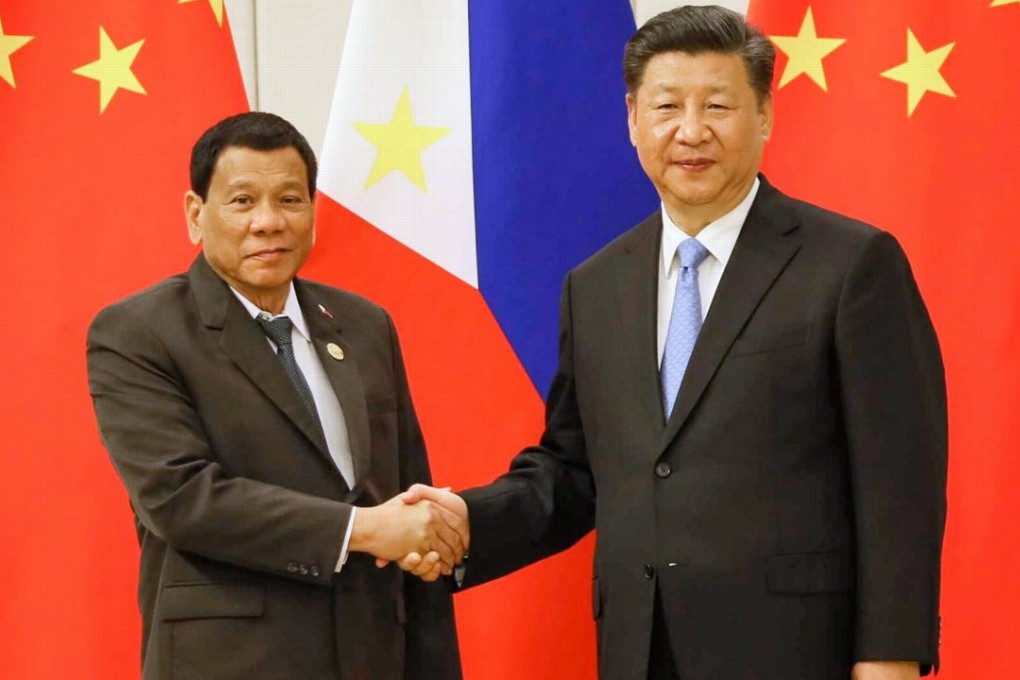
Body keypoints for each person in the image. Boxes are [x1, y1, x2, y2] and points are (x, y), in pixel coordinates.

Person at [397, 6, 947, 680]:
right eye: (666, 106)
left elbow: (900, 486)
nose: (691, 131)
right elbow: (575, 472)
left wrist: (889, 658)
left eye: (718, 104)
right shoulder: (595, 286)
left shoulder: (851, 265)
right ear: (632, 119)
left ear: (765, 115)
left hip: (798, 651)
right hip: (640, 649)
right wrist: (466, 520)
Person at [86, 112, 466, 680]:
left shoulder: (364, 326)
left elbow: (405, 498)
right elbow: (183, 499)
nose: (268, 222)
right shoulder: (139, 332)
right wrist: (363, 530)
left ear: (312, 213)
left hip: (372, 654)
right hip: (234, 662)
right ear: (196, 215)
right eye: (242, 201)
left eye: (290, 199)